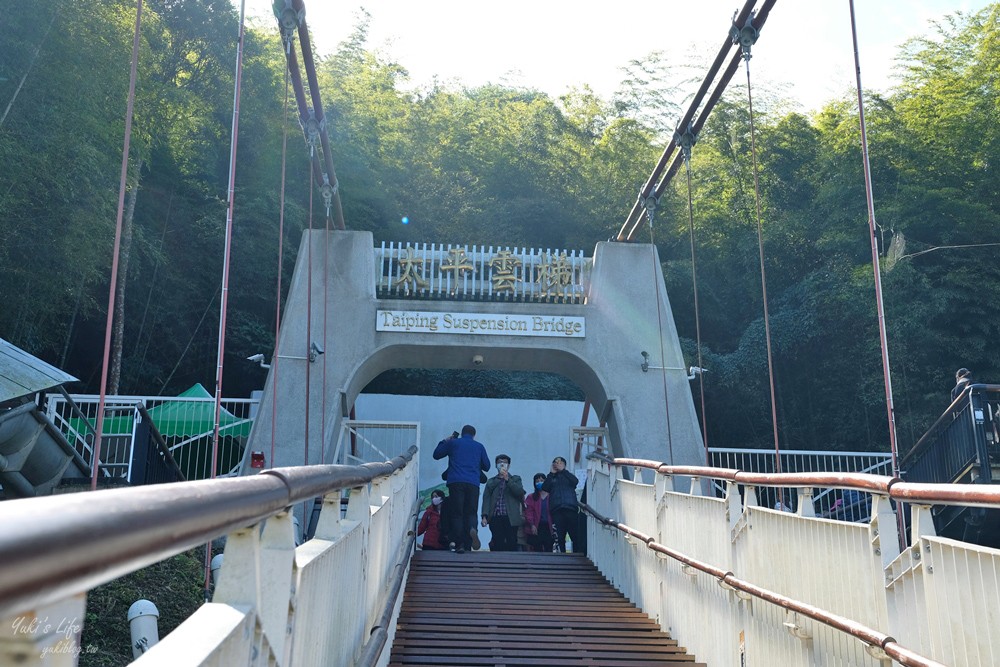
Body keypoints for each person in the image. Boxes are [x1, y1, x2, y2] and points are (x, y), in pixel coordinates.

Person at [433, 425, 489, 553]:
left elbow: (436, 454)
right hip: (473, 483)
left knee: (457, 514)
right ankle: (472, 529)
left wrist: (446, 440)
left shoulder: (453, 443)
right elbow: (487, 466)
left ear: (462, 433)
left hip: (456, 482)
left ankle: (460, 544)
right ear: (474, 435)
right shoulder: (479, 446)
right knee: (471, 512)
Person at [481, 454, 525, 552]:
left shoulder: (515, 479)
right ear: (496, 465)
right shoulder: (491, 481)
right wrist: (484, 516)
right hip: (495, 516)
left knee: (512, 541)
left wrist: (507, 479)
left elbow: (519, 492)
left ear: (508, 465)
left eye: (504, 462)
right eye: (499, 462)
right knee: (497, 542)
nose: (502, 464)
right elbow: (486, 499)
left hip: (511, 517)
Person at [543, 456, 580, 553]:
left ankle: (578, 554)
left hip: (570, 508)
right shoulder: (551, 477)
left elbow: (575, 481)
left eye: (560, 463)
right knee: (560, 536)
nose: (557, 464)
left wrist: (563, 471)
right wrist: (551, 473)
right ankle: (562, 555)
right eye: (555, 463)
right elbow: (545, 487)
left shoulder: (568, 475)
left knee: (575, 534)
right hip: (557, 510)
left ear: (564, 465)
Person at [524, 472, 553, 553]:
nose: (539, 482)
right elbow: (529, 512)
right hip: (537, 527)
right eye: (537, 481)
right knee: (537, 549)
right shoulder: (531, 497)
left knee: (549, 548)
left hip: (549, 527)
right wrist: (532, 525)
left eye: (542, 480)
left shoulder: (552, 496)